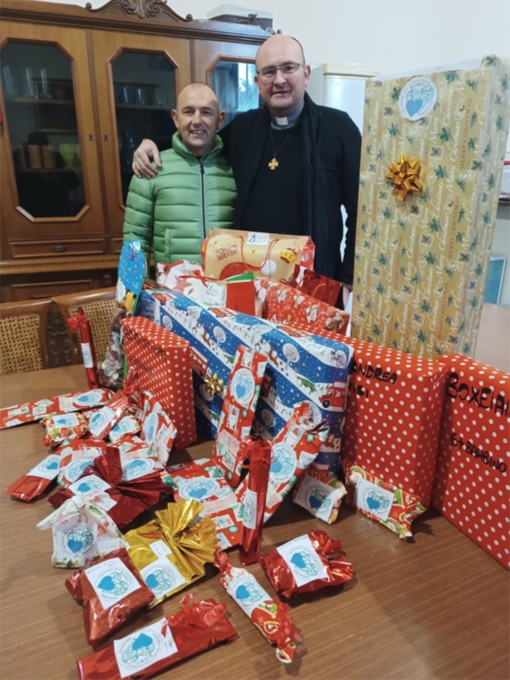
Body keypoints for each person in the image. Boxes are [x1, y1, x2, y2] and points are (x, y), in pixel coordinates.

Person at [132, 35, 361, 288]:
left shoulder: (339, 129)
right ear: (257, 82)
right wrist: (151, 142)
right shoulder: (244, 128)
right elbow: (200, 140)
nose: (279, 80)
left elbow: (359, 212)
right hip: (249, 285)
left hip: (316, 283)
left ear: (305, 74)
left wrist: (349, 277)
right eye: (269, 72)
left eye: (288, 68)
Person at [123, 83, 236, 266]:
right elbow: (135, 240)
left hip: (225, 282)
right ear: (176, 118)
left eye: (206, 112)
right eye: (188, 112)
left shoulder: (235, 168)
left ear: (219, 119)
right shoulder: (150, 167)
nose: (197, 121)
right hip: (172, 283)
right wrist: (132, 285)